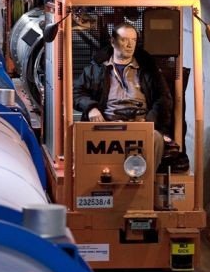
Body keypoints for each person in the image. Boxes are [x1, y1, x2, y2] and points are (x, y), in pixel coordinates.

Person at [73, 22, 172, 169]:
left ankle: (146, 184)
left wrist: (149, 120)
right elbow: (76, 92)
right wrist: (91, 108)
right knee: (84, 138)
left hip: (141, 124)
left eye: (133, 40)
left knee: (155, 138)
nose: (129, 45)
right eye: (124, 40)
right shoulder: (96, 70)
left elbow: (164, 98)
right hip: (106, 125)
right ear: (113, 41)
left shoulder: (148, 71)